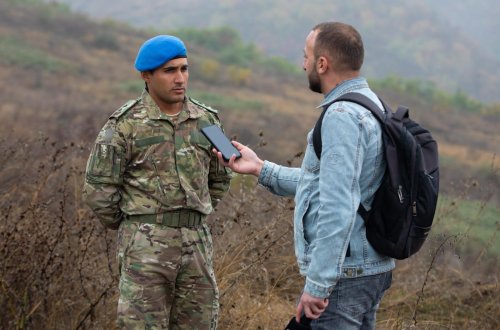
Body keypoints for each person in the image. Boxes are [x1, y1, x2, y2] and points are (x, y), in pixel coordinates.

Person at [215, 22, 394, 329]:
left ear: (322, 64)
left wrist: (319, 285)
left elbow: (337, 206)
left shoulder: (341, 117)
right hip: (369, 267)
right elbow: (331, 185)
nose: (303, 65)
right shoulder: (373, 105)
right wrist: (260, 168)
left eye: (306, 57)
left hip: (345, 275)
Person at [82, 35, 232, 329]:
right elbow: (98, 189)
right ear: (146, 75)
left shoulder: (209, 122)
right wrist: (137, 226)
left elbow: (224, 173)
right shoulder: (124, 124)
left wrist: (195, 213)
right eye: (169, 71)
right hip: (144, 249)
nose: (180, 78)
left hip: (196, 247)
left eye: (184, 69)